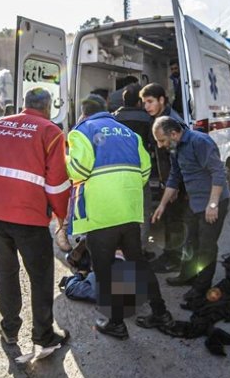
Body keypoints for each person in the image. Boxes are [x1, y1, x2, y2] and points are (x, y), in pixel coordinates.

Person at [68, 95, 172, 340]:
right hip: (129, 211)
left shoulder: (81, 131)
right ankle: (161, 312)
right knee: (138, 263)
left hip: (102, 213)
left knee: (103, 271)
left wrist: (66, 161)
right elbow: (145, 170)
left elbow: (78, 171)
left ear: (84, 112)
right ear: (107, 110)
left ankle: (116, 323)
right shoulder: (128, 133)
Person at [0, 87, 70, 350]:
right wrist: (62, 217)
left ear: (24, 104)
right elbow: (57, 185)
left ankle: (9, 329)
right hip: (29, 215)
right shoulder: (51, 132)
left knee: (5, 269)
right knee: (40, 275)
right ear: (48, 107)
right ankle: (43, 334)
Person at [152, 116, 230, 303]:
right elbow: (174, 176)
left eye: (162, 140)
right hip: (195, 202)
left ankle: (201, 286)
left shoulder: (199, 142)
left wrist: (213, 204)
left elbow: (218, 172)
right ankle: (186, 276)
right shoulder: (175, 147)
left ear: (173, 133)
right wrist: (162, 205)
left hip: (213, 201)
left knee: (206, 247)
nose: (161, 145)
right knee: (189, 241)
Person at [141, 83, 189, 276]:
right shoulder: (158, 119)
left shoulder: (171, 122)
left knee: (175, 220)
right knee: (170, 219)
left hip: (176, 182)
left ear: (162, 100)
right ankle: (170, 255)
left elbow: (179, 157)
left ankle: (174, 259)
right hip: (168, 179)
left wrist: (175, 185)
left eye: (150, 101)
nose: (146, 106)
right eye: (144, 102)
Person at [114, 83, 155, 253]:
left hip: (116, 172)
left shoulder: (113, 118)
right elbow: (154, 146)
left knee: (120, 210)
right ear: (139, 101)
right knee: (143, 211)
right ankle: (141, 249)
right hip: (139, 172)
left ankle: (120, 248)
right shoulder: (147, 119)